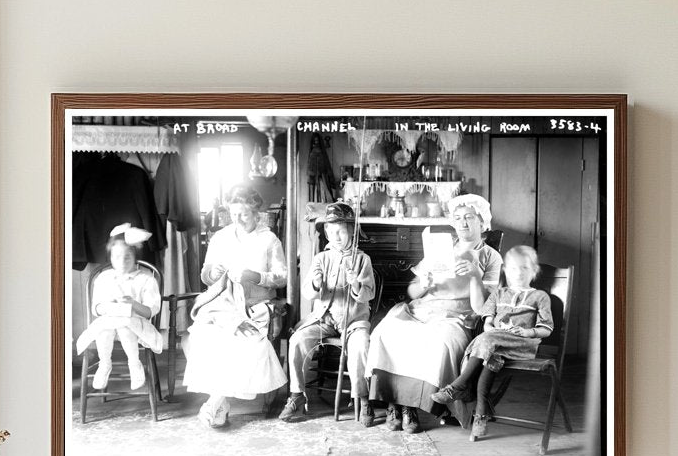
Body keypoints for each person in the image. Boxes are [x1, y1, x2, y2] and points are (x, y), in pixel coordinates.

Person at [366, 193, 501, 433]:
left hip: (457, 316)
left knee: (439, 342)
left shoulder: (491, 257)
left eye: (469, 217)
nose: (463, 223)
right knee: (386, 331)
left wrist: (475, 276)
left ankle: (411, 406)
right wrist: (424, 284)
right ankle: (394, 403)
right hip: (422, 309)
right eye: (458, 218)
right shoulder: (442, 247)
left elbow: (482, 308)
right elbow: (412, 291)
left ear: (482, 222)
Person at [183, 184, 287, 428]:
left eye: (244, 214)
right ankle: (220, 403)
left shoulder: (269, 239)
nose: (238, 219)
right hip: (224, 303)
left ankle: (215, 403)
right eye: (234, 214)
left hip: (256, 303)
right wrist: (212, 272)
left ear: (256, 213)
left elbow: (282, 277)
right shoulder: (220, 237)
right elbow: (205, 276)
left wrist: (255, 276)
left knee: (249, 342)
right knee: (206, 337)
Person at [432, 245, 554, 441]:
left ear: (534, 271)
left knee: (485, 340)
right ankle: (481, 415)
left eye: (525, 268)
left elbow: (546, 329)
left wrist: (528, 331)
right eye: (514, 268)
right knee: (490, 354)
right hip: (495, 347)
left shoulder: (540, 297)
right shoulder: (498, 294)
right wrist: (491, 329)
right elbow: (487, 321)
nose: (519, 273)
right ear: (505, 271)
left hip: (522, 344)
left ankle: (458, 386)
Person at [280, 202, 376, 424]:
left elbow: (368, 294)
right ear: (326, 233)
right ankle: (296, 396)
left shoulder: (362, 259)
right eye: (331, 231)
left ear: (352, 231)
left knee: (361, 346)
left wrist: (355, 284)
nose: (337, 236)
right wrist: (315, 284)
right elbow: (307, 293)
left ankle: (362, 399)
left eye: (342, 231)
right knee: (297, 340)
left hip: (353, 321)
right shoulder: (321, 258)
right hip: (324, 320)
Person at [75, 224, 163, 391]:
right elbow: (97, 309)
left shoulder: (145, 279)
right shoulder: (104, 278)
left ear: (135, 257)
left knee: (124, 326)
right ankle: (105, 363)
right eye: (116, 257)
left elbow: (151, 311)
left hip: (137, 325)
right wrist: (108, 307)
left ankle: (134, 364)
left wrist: (133, 304)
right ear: (111, 257)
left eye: (127, 257)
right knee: (105, 327)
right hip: (109, 320)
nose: (122, 262)